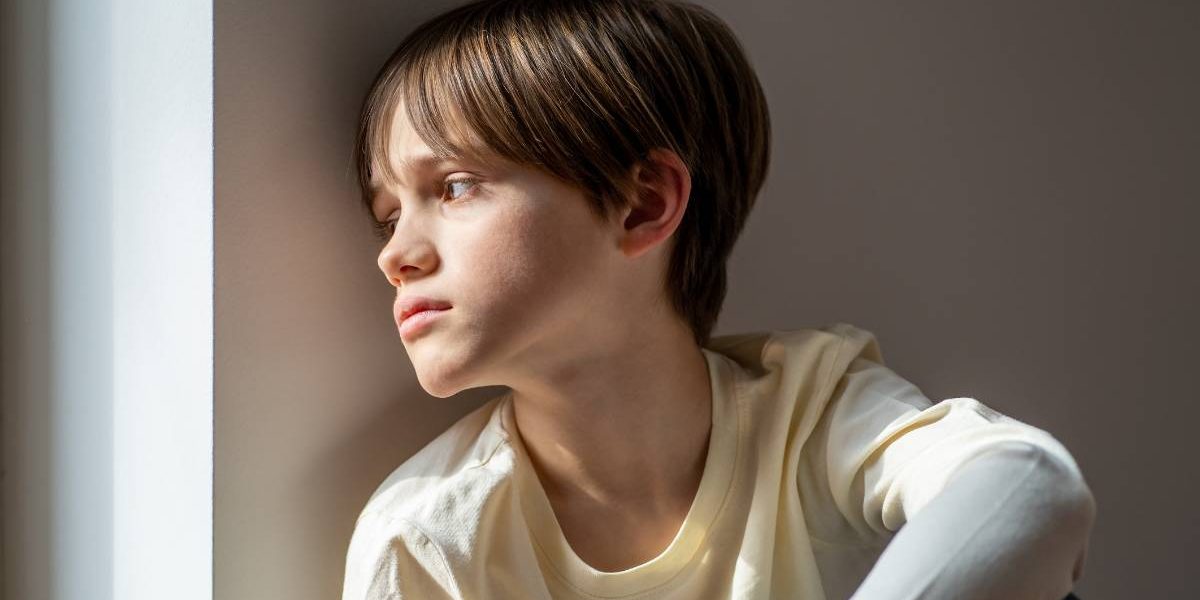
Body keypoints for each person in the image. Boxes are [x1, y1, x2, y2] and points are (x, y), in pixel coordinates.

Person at [340, 1, 1096, 598]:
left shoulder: (810, 415)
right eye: (388, 214)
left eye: (455, 186)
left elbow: (1028, 485)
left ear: (642, 206)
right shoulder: (427, 541)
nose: (394, 254)